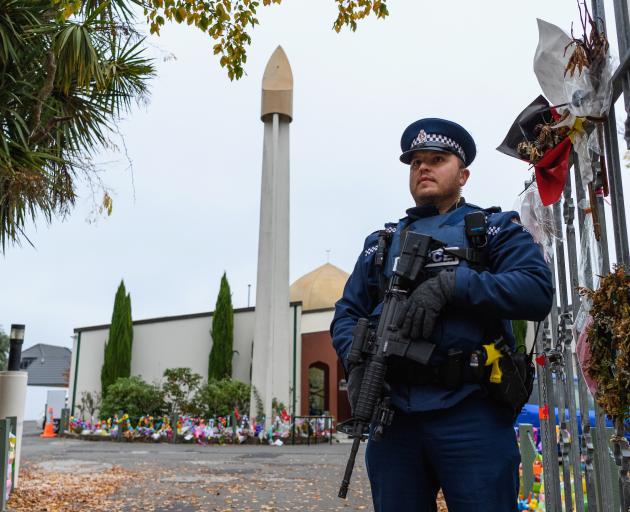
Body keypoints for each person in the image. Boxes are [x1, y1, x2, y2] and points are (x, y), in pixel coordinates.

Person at [330, 118, 553, 512]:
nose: (423, 168)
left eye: (437, 159)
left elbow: (536, 290)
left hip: (471, 412)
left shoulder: (493, 229)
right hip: (395, 417)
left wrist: (456, 285)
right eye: (415, 162)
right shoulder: (380, 244)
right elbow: (347, 313)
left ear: (463, 174)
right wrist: (356, 357)